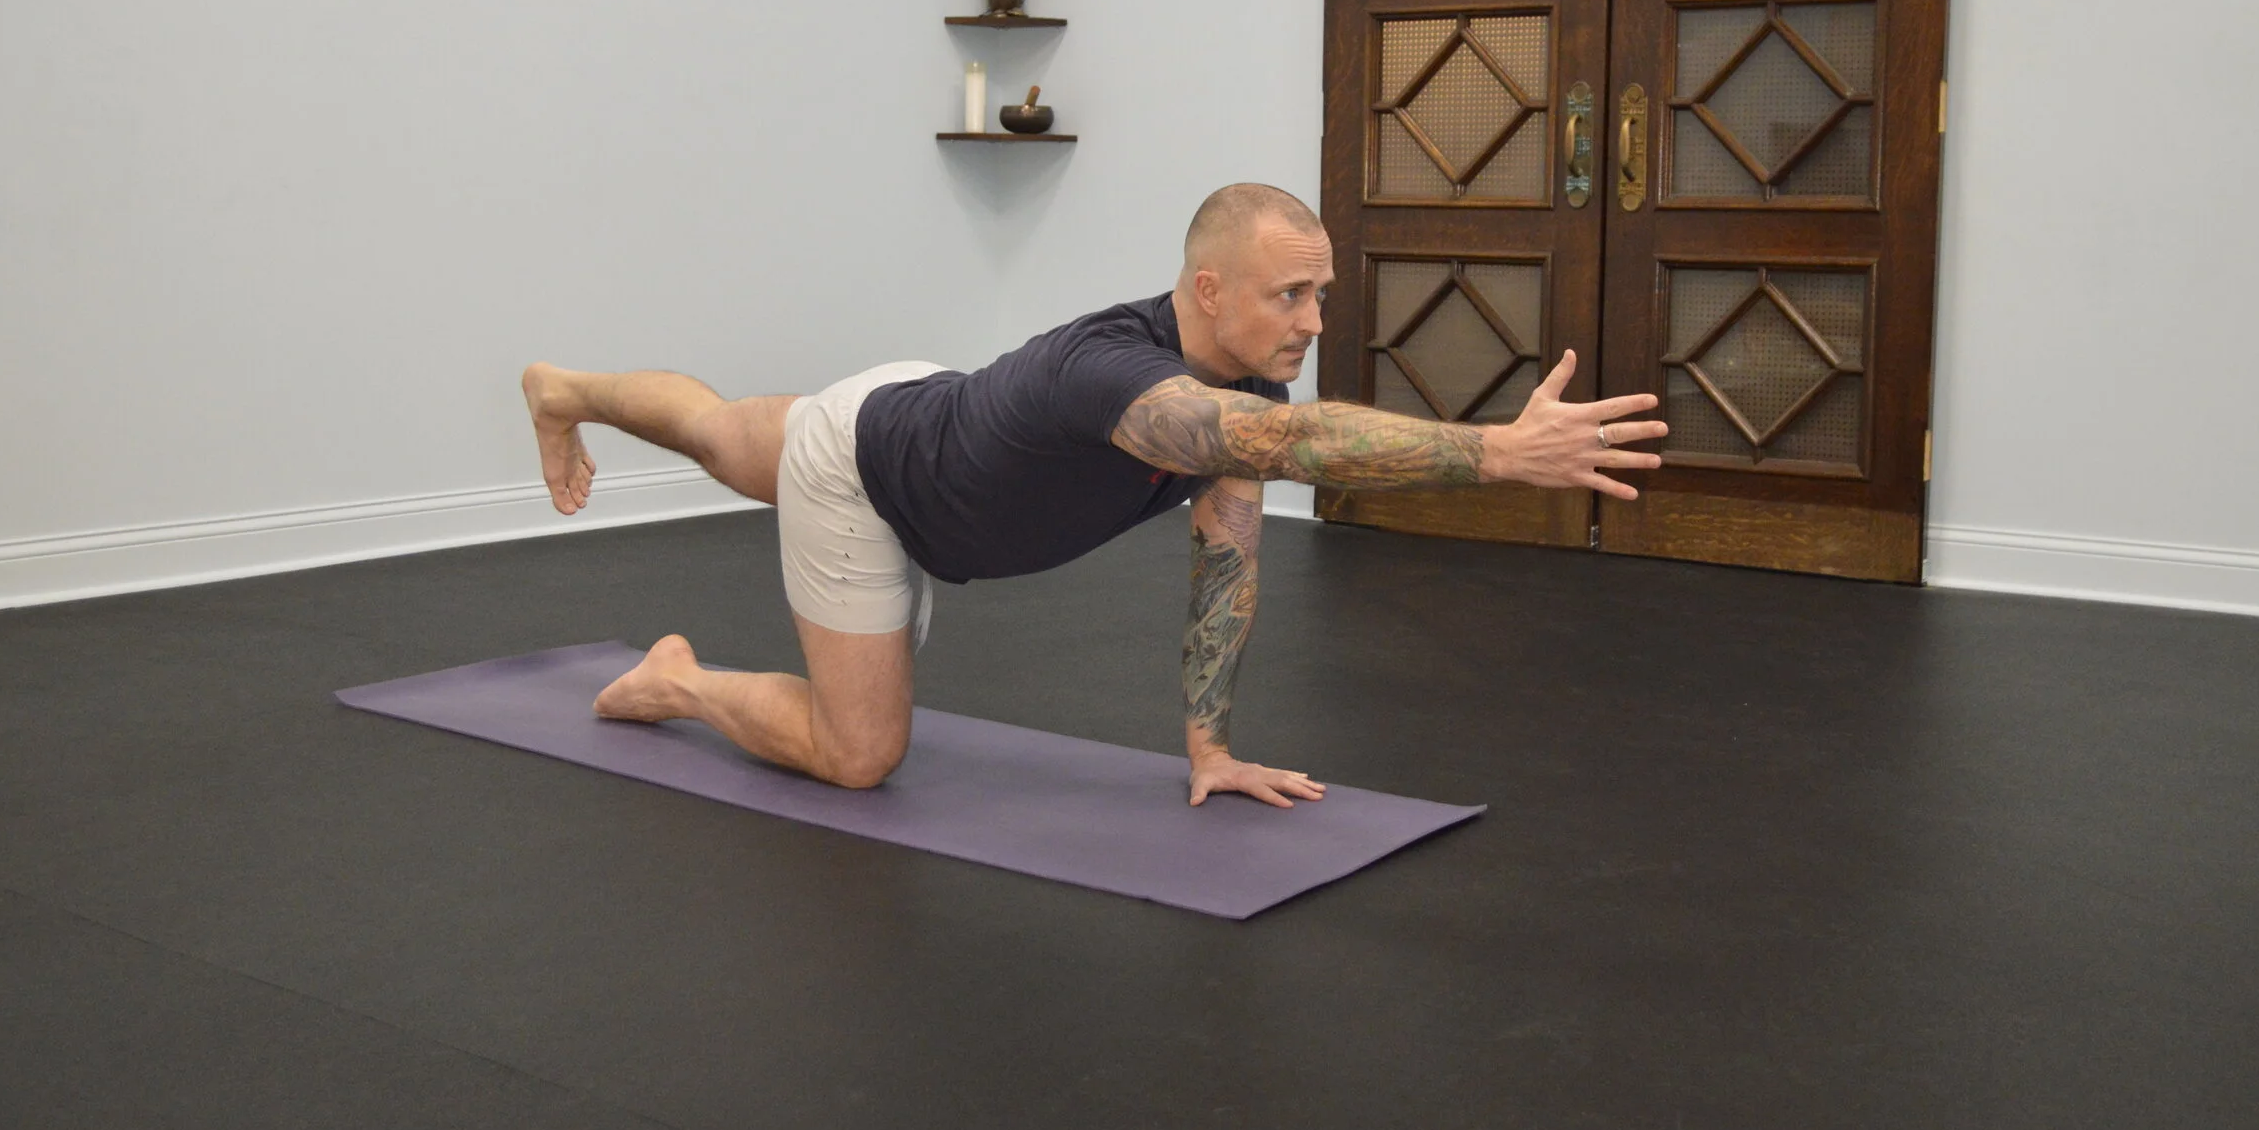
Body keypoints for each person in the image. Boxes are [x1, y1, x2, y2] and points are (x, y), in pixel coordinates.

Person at [520, 183, 1666, 809]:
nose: (1314, 322)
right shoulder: (1117, 376)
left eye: (1319, 295)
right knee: (857, 755)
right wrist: (1494, 455)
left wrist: (1209, 748)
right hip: (867, 474)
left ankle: (565, 387)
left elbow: (1226, 559)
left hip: (916, 402)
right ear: (1208, 290)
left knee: (718, 430)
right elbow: (1294, 442)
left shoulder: (1239, 387)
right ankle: (677, 678)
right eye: (1289, 296)